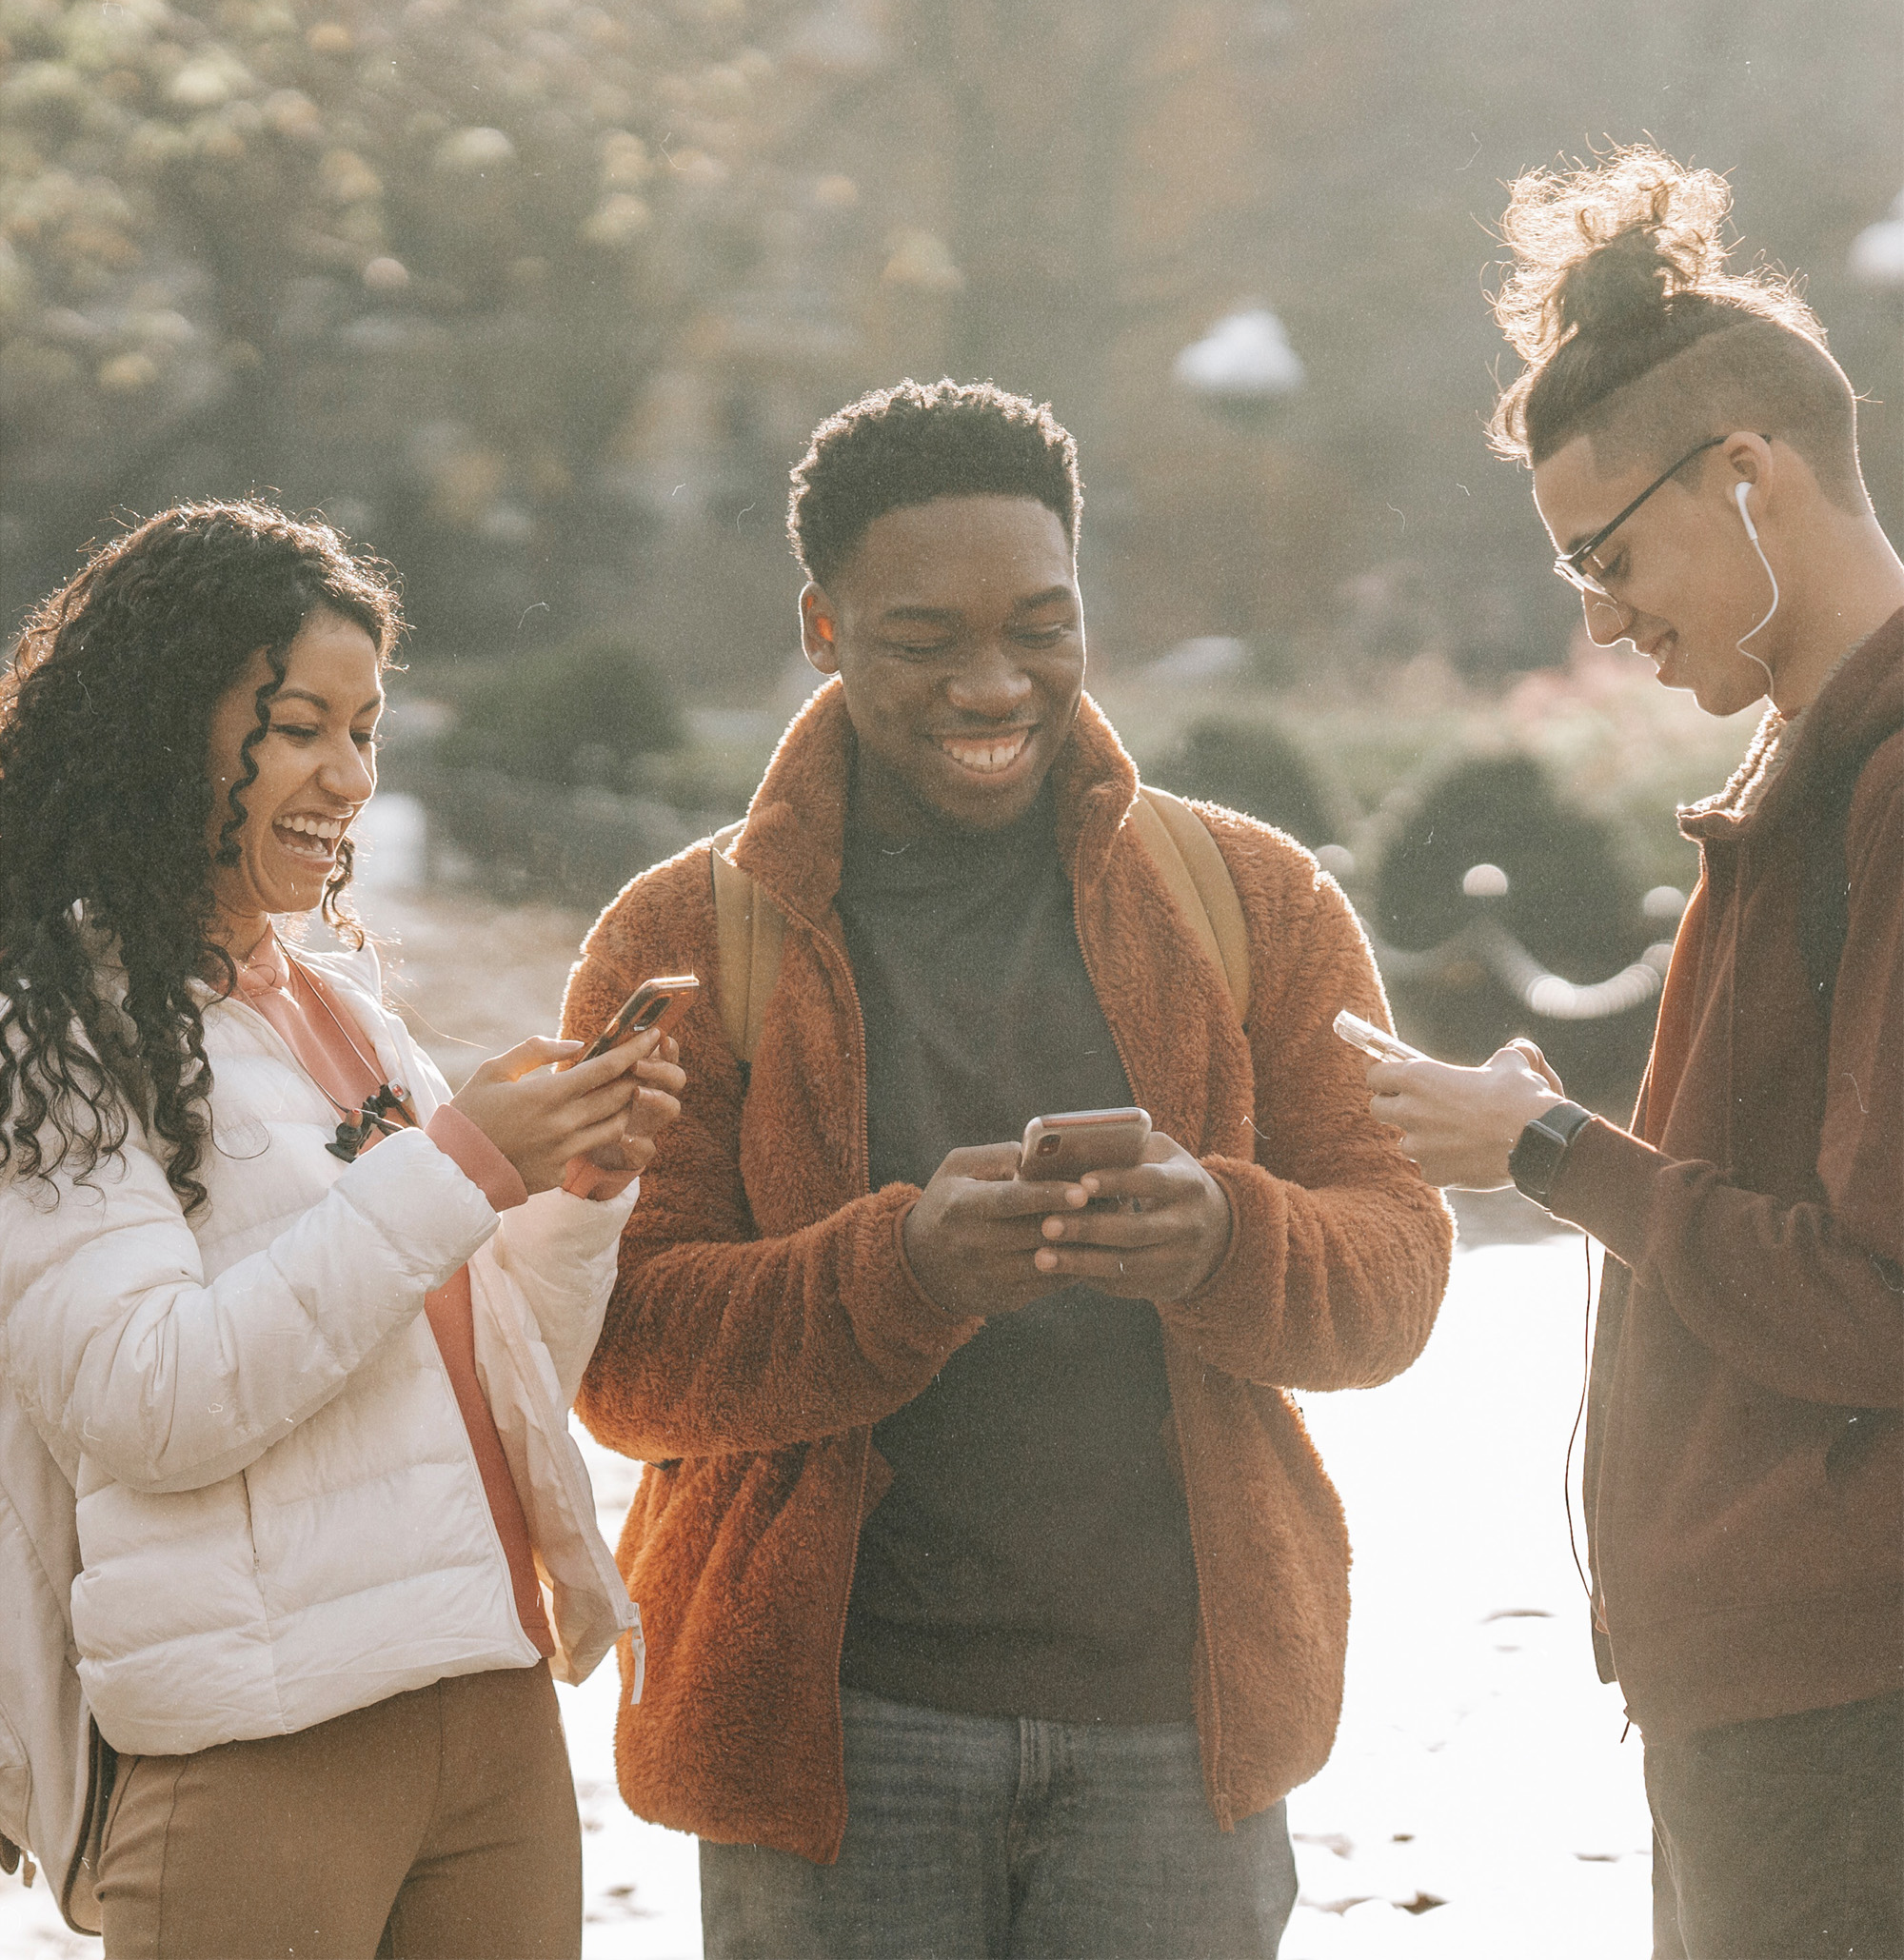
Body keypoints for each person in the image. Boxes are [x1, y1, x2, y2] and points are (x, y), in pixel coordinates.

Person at [565, 379, 1453, 1960]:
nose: (994, 685)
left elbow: (1398, 1270)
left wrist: (1224, 1238)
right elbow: (620, 1355)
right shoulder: (683, 939)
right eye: (924, 641)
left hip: (1180, 1727)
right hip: (836, 1737)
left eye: (1042, 629)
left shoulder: (1253, 897)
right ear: (823, 629)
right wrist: (899, 1274)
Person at [0, 501, 684, 1960]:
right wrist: (455, 1166)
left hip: (494, 1716)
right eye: (300, 726)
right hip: (265, 1753)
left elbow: (502, 1381)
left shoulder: (346, 1016)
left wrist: (574, 1189)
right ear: (163, 732)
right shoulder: (54, 1038)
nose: (348, 776)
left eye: (365, 732)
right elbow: (147, 1403)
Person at [1360, 152, 1904, 1960]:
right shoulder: (1815, 765)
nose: (1599, 618)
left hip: (1849, 1702)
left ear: (1750, 474)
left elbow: (1880, 1304)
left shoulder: (1890, 786)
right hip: (1783, 1693)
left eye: (1607, 558)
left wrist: (1545, 1153)